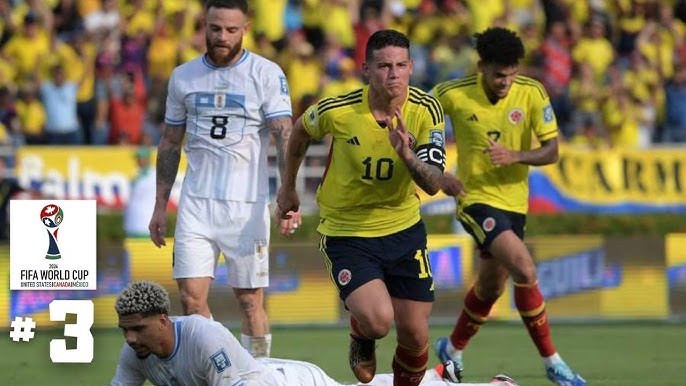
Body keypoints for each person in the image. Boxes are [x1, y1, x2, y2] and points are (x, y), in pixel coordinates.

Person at [276, 30, 446, 386]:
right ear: (367, 69)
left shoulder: (427, 110)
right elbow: (299, 133)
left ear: (412, 67)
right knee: (379, 321)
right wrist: (288, 187)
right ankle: (361, 333)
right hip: (347, 232)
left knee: (415, 337)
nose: (394, 74)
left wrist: (406, 154)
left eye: (401, 65)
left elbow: (432, 183)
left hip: (403, 229)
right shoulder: (338, 110)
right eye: (384, 66)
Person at [430, 27, 586, 386]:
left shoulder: (531, 93)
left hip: (515, 203)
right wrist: (438, 174)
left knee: (490, 289)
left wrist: (515, 155)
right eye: (499, 75)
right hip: (475, 198)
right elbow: (417, 121)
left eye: (512, 74)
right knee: (525, 269)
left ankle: (451, 349)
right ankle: (552, 361)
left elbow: (552, 150)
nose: (506, 82)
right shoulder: (453, 94)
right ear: (481, 66)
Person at [147, 0, 300, 358]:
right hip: (196, 205)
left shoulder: (265, 73)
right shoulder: (183, 76)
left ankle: (258, 375)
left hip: (245, 207)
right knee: (190, 301)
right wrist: (159, 206)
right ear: (204, 25)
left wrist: (287, 196)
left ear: (245, 26)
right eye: (215, 28)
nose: (222, 36)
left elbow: (285, 136)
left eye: (231, 30)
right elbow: (170, 141)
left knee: (249, 303)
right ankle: (219, 370)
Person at [110, 280, 520, 386]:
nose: (130, 339)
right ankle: (432, 377)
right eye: (125, 331)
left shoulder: (202, 336)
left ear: (163, 320)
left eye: (138, 329)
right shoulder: (136, 353)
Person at [124, 147, 156, 238]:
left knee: (143, 250)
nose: (137, 161)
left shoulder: (154, 175)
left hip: (145, 223)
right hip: (132, 223)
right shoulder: (137, 175)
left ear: (146, 159)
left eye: (139, 158)